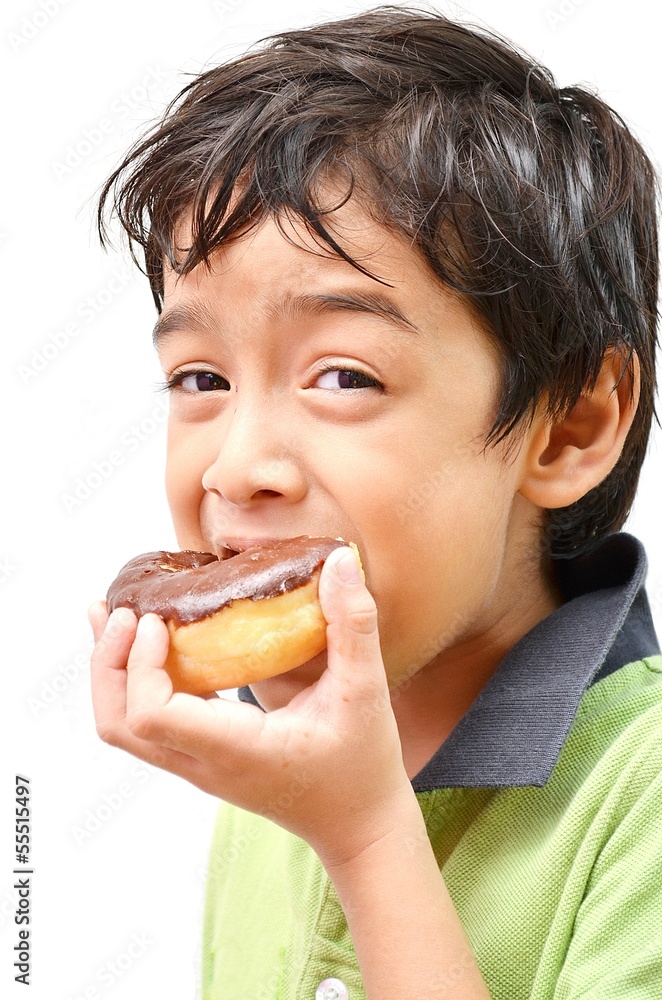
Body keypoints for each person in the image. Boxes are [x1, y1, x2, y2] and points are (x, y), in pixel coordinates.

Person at [88, 7, 662, 998]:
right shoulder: (270, 787)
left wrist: (364, 838)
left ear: (567, 427)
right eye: (199, 379)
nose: (235, 465)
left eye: (343, 376)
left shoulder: (637, 799)